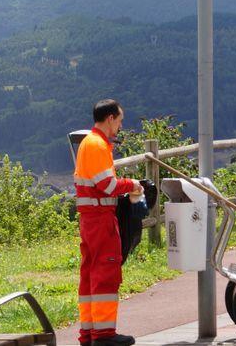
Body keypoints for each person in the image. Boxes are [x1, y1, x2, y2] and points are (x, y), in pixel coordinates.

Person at [74, 99, 144, 346]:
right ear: (110, 118)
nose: (120, 126)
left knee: (90, 275)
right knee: (106, 272)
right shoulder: (97, 145)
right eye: (120, 120)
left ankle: (89, 333)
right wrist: (134, 185)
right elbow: (108, 186)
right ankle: (104, 335)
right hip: (101, 219)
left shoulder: (87, 143)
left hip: (90, 220)